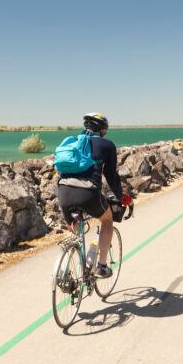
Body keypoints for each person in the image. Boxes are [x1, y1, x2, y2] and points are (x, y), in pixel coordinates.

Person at [56, 113, 133, 279]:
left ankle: (64, 270)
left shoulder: (72, 142)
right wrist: (121, 197)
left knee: (73, 225)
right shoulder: (107, 145)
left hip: (63, 192)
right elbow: (111, 176)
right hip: (88, 193)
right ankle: (102, 266)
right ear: (103, 130)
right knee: (107, 220)